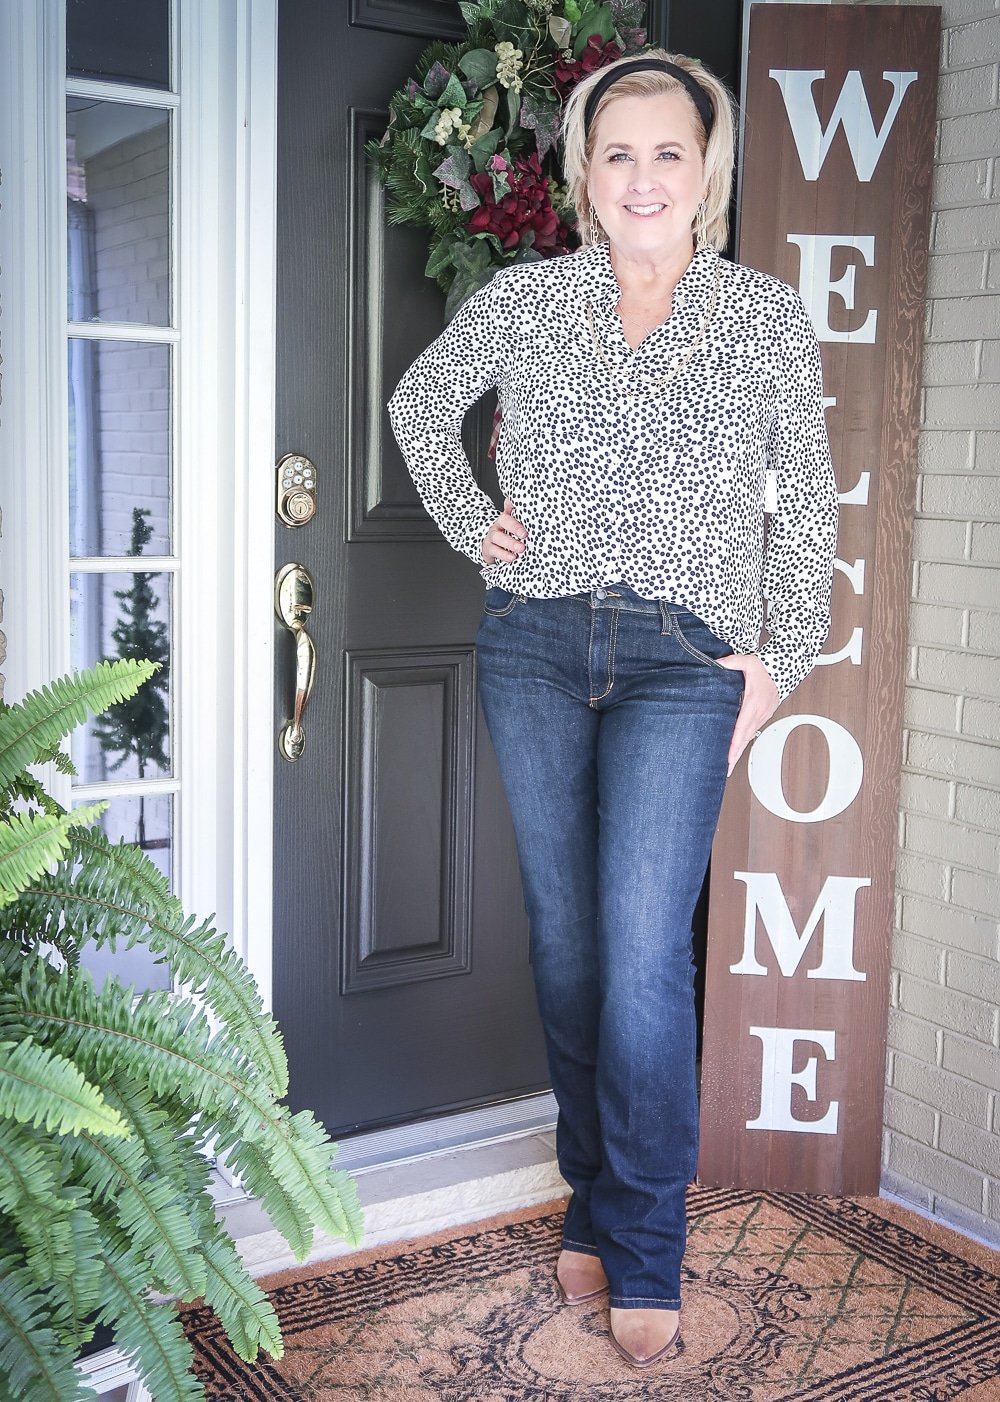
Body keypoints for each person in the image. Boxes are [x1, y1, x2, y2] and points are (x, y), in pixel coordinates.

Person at [388, 48, 838, 1370]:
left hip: (684, 660)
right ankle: (589, 1183)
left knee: (645, 957)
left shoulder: (762, 317)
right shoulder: (530, 302)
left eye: (671, 153)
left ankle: (644, 1240)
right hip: (532, 641)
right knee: (572, 948)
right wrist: (482, 527)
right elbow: (422, 404)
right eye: (619, 152)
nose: (644, 177)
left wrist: (776, 663)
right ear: (585, 173)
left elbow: (807, 501)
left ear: (709, 176)